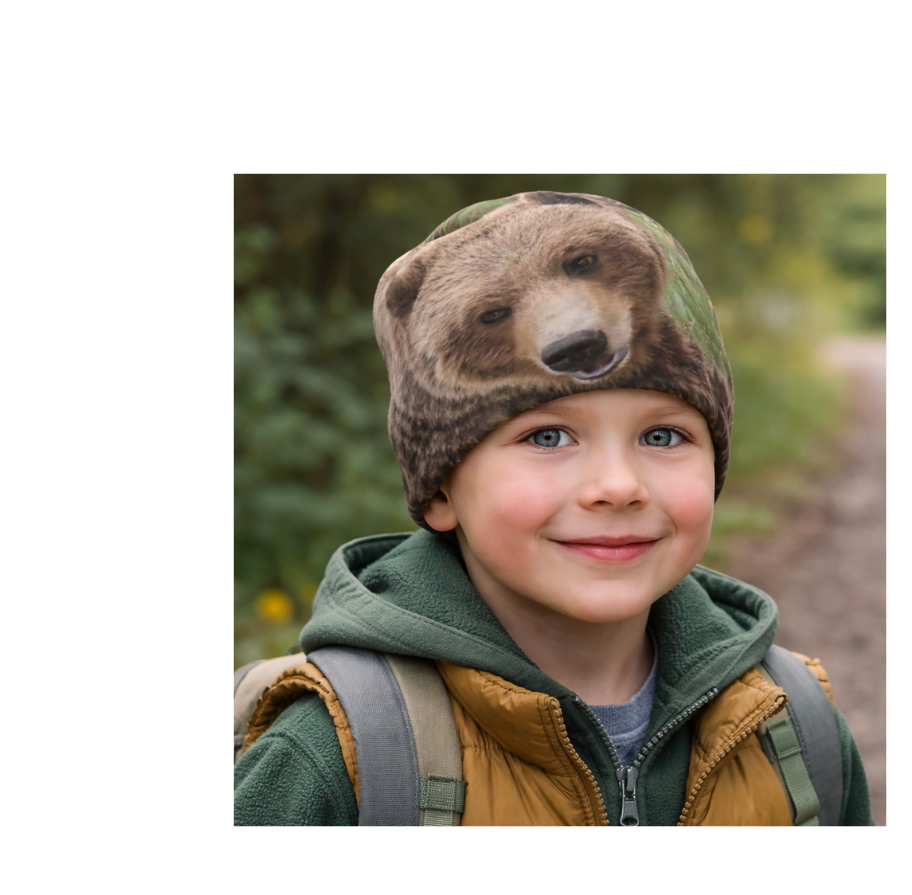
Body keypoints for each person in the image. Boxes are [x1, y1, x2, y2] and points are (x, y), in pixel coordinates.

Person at [232, 191, 875, 827]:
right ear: (440, 491)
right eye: (547, 437)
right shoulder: (337, 755)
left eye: (662, 436)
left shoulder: (794, 729)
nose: (618, 486)